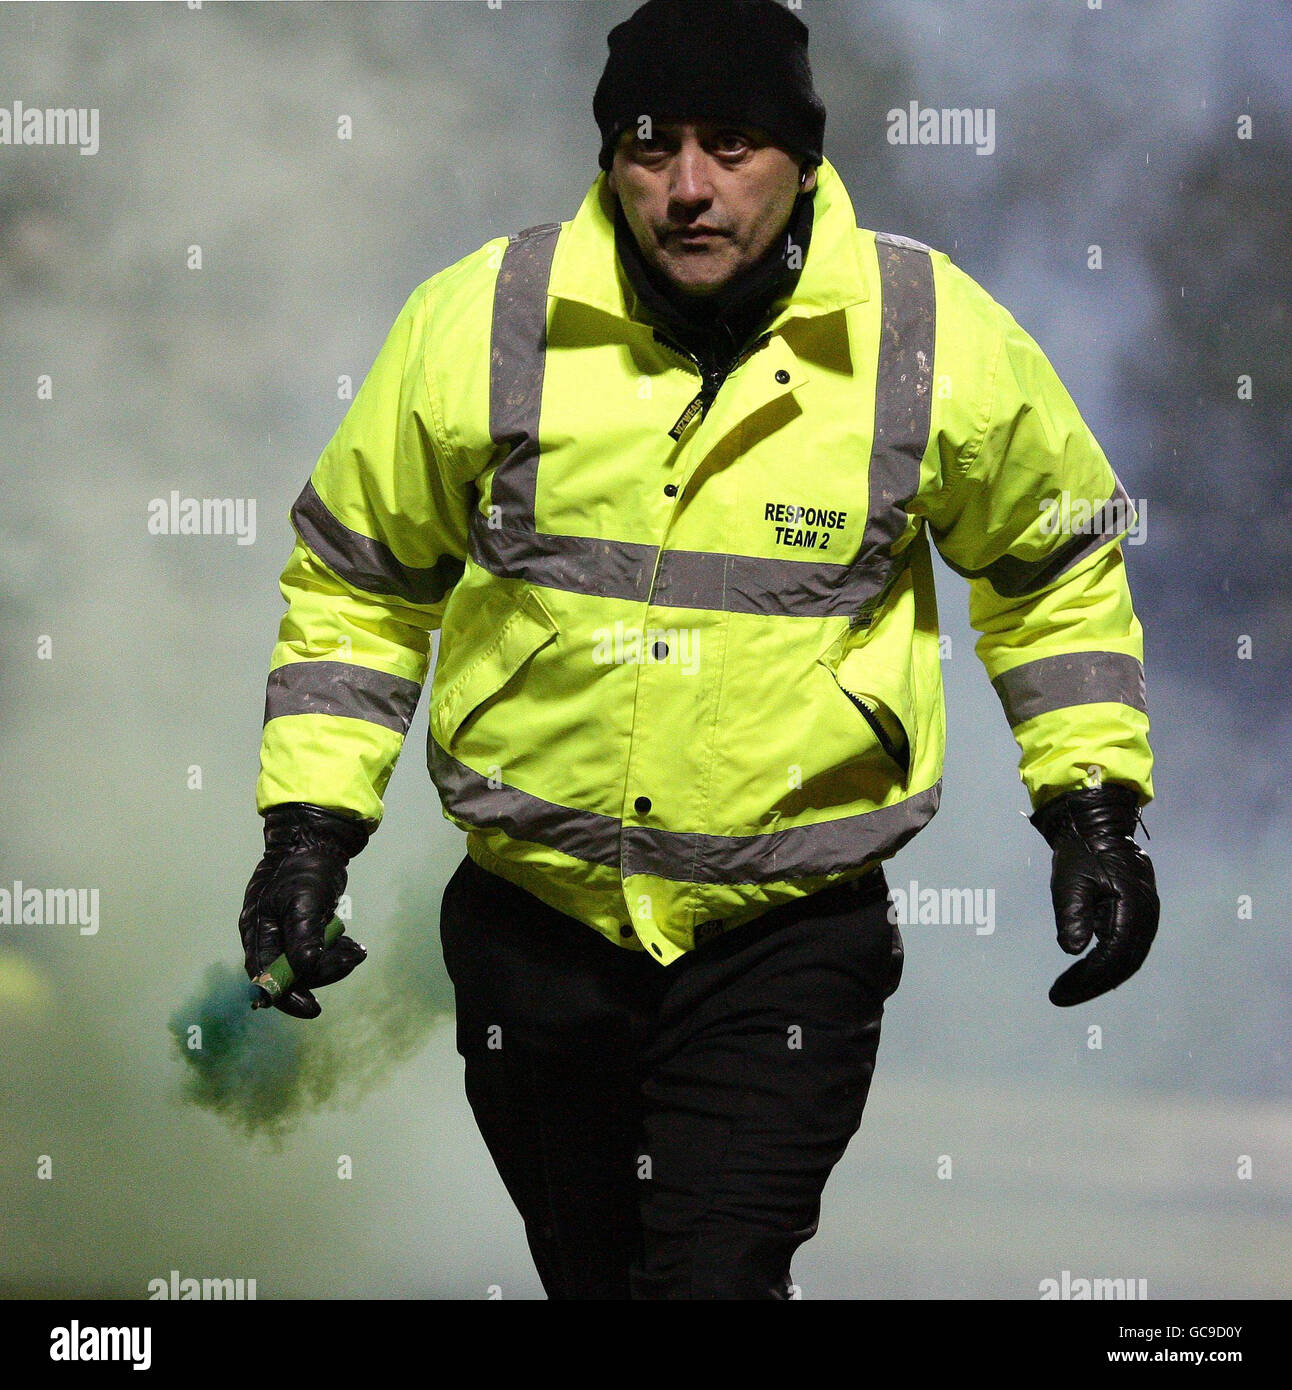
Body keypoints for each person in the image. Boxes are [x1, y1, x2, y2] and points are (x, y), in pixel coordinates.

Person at [239, 0, 1159, 1299]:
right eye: (648, 142)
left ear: (803, 152)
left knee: (715, 1279)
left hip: (786, 933)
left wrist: (1093, 809)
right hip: (533, 929)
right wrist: (310, 830)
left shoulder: (926, 334)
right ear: (608, 151)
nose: (686, 187)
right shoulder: (489, 318)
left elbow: (1054, 562)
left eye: (730, 144)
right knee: (600, 1282)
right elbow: (359, 578)